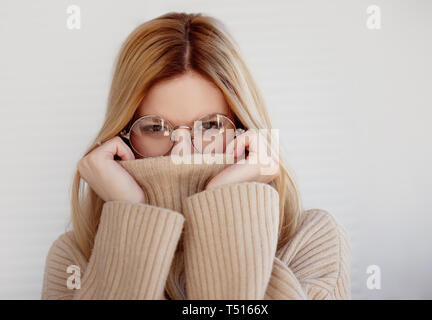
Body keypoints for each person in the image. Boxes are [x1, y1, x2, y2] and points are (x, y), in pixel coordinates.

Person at [41, 12, 351, 300]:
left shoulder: (313, 242)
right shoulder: (74, 257)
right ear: (123, 137)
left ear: (243, 130)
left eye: (211, 125)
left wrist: (225, 204)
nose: (183, 151)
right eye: (154, 127)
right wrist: (131, 216)